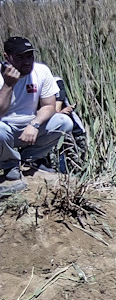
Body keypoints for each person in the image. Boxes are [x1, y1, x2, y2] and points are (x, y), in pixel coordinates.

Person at [0, 36, 72, 194]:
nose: (26, 62)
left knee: (64, 122)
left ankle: (29, 159)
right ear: (6, 57)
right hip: (5, 129)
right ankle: (9, 164)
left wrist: (34, 124)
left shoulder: (41, 71)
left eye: (29, 56)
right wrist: (8, 85)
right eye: (20, 57)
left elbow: (49, 106)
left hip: (29, 127)